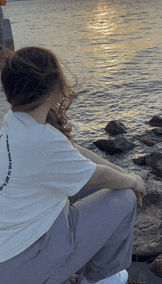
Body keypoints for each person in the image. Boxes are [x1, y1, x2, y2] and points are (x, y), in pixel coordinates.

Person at [0, 46, 147, 284]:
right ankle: (99, 278)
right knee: (125, 197)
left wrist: (122, 172)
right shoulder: (43, 141)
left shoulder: (14, 123)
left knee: (112, 182)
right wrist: (132, 180)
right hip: (24, 265)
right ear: (48, 91)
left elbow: (74, 155)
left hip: (11, 251)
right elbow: (99, 176)